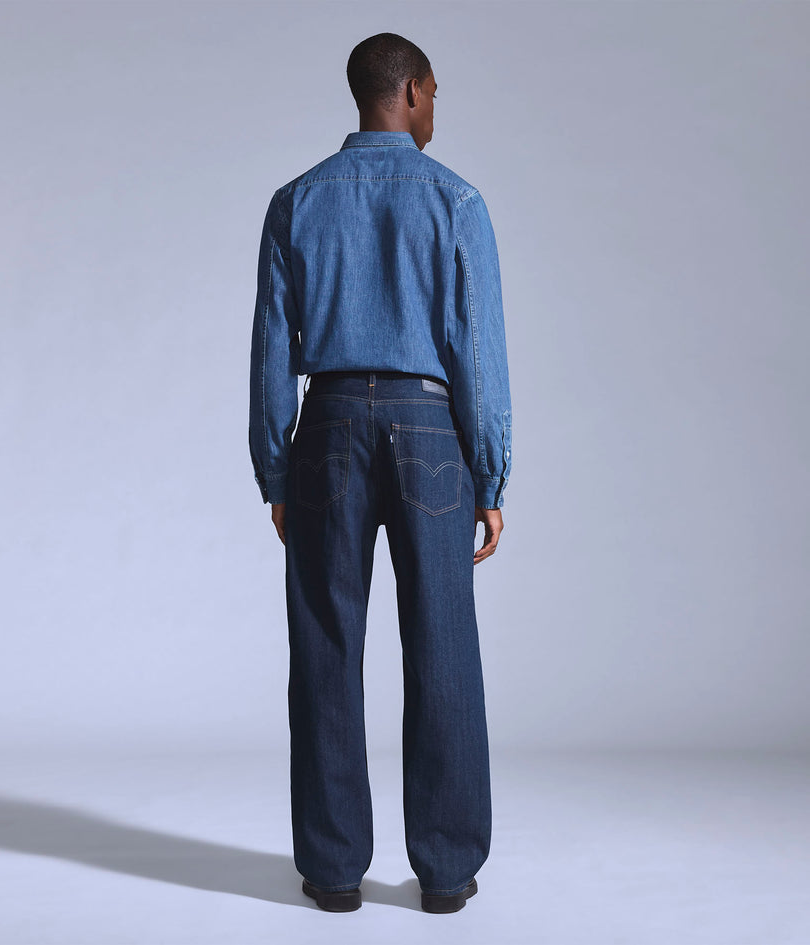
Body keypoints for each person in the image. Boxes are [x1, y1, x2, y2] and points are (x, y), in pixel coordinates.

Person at [248, 31, 512, 914]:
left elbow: (270, 353)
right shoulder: (456, 200)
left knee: (326, 639)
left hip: (325, 426)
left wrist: (276, 469)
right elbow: (479, 354)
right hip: (430, 426)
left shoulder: (296, 201)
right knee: (443, 640)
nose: (437, 111)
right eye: (434, 94)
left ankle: (332, 869)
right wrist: (490, 475)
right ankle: (446, 869)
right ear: (411, 92)